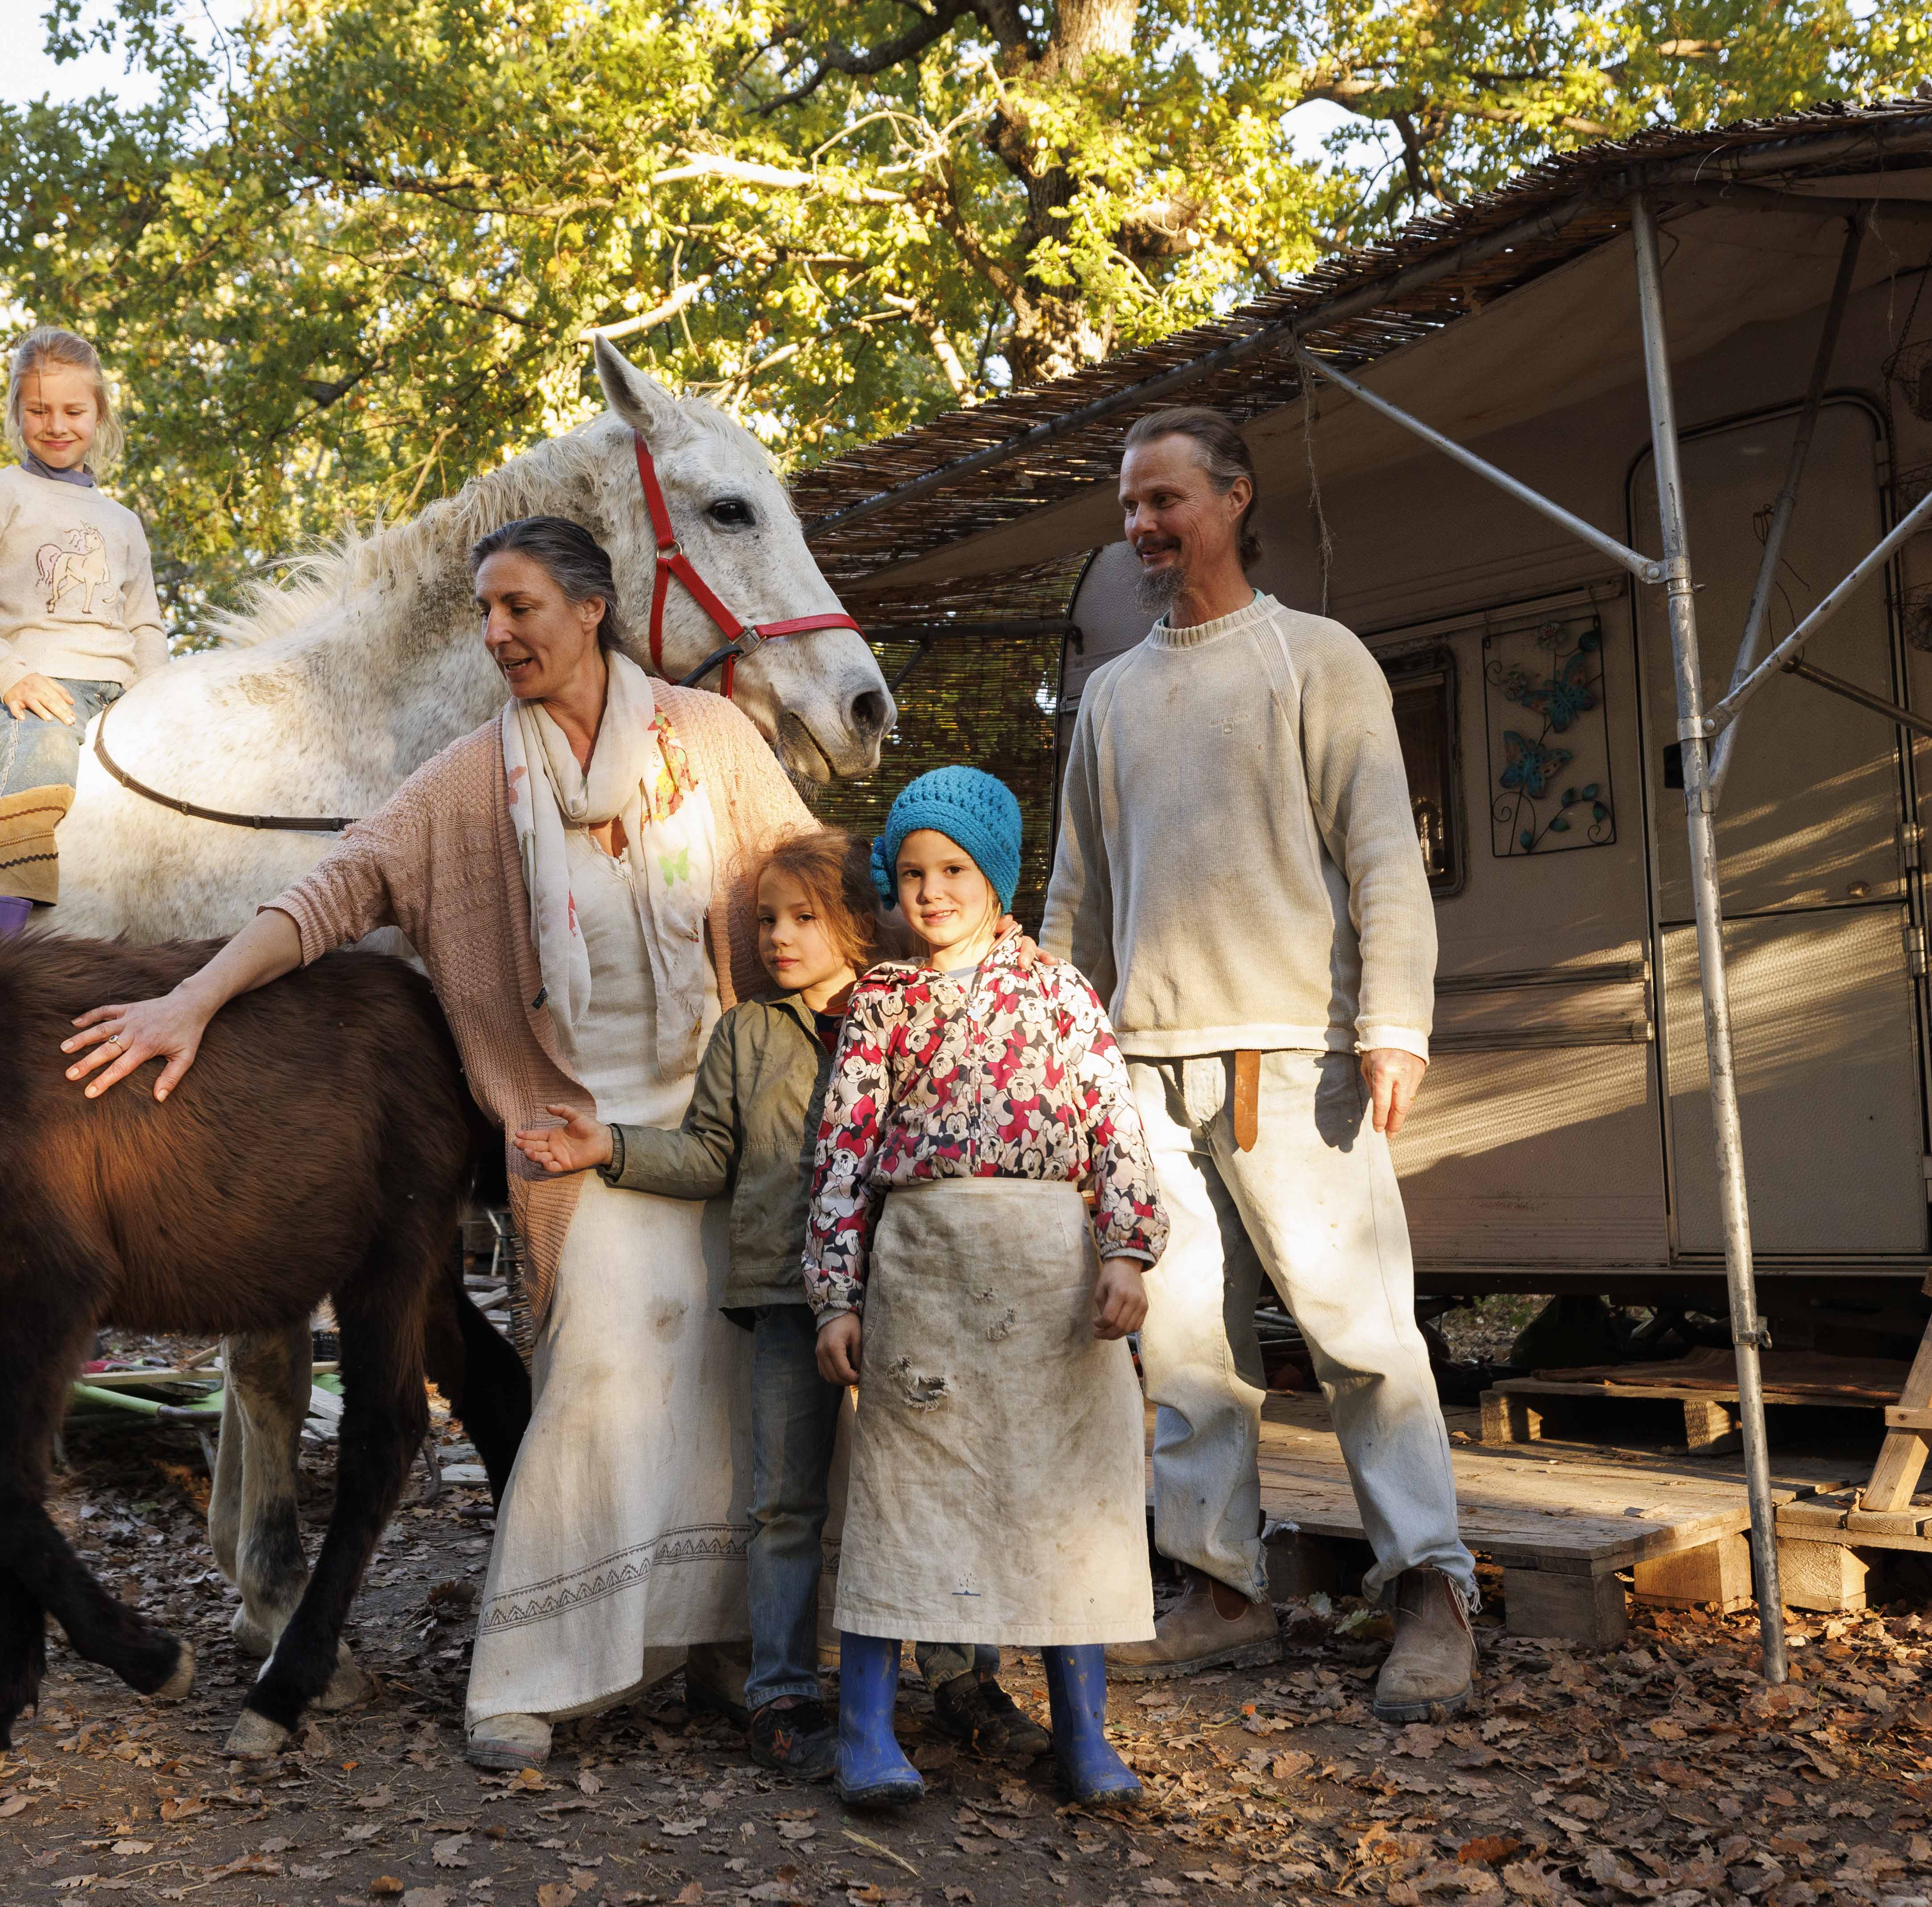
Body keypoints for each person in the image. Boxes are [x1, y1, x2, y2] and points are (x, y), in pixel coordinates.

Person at [59, 515, 815, 1771]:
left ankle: (715, 1649)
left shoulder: (711, 739)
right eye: (485, 612)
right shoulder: (475, 780)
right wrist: (190, 997)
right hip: (573, 1129)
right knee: (600, 1374)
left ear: (591, 608)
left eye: (519, 607)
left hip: (726, 1109)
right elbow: (331, 892)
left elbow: (808, 877)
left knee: (728, 1386)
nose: (497, 634)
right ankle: (534, 1667)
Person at [1042, 405, 1473, 1721]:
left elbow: (1382, 857)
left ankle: (1432, 1593)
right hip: (1141, 1071)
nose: (1142, 528)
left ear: (1233, 499)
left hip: (1297, 1057)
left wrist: (1391, 1020)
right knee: (1182, 1348)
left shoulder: (1315, 658)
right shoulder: (1109, 696)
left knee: (1358, 1336)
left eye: (1165, 500)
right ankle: (1220, 1588)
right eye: (1129, 508)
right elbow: (1074, 897)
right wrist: (1059, 1052)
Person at [510, 830, 1052, 1779]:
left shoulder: (914, 1014)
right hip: (785, 1294)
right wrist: (610, 1146)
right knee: (784, 1504)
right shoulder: (747, 1034)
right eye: (765, 919)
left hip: (910, 1293)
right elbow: (710, 1155)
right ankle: (782, 1692)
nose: (778, 937)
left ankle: (962, 1679)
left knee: (931, 1490)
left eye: (803, 916)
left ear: (853, 919)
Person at [803, 766, 1162, 1809]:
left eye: (954, 867)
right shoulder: (878, 1001)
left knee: (1060, 1494)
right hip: (924, 1275)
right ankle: (867, 1727)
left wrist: (1126, 1251)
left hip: (1049, 1280)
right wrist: (836, 1292)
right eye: (911, 870)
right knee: (900, 1493)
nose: (931, 890)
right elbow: (839, 1151)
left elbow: (1113, 1127)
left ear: (997, 873)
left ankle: (1082, 1732)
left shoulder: (1059, 992)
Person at [0, 326, 170, 934]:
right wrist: (9, 674)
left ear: (98, 415)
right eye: (38, 410)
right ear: (17, 414)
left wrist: (159, 697)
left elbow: (144, 622)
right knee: (44, 761)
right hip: (43, 686)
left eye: (73, 411)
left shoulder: (122, 521)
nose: (56, 424)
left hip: (124, 690)